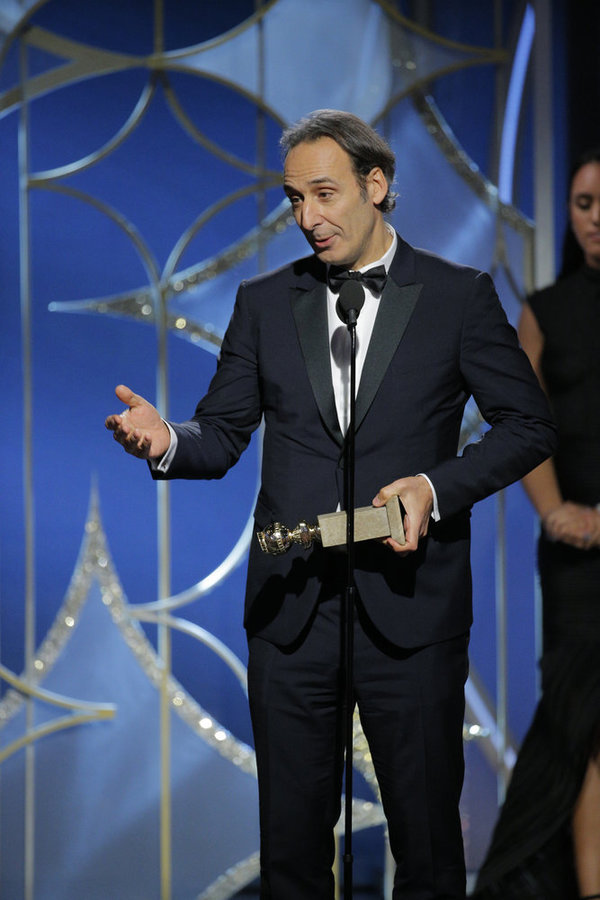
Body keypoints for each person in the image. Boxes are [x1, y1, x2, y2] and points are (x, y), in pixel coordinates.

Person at [105, 109, 556, 900]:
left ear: (376, 186)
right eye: (293, 200)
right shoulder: (264, 304)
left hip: (412, 612)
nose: (307, 218)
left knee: (426, 850)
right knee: (292, 858)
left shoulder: (457, 298)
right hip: (292, 614)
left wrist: (433, 487)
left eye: (324, 194)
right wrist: (167, 440)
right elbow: (222, 434)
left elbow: (529, 424)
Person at [473, 149, 600, 899]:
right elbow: (522, 422)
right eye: (583, 203)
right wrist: (555, 512)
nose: (595, 218)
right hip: (581, 563)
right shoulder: (545, 311)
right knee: (583, 729)